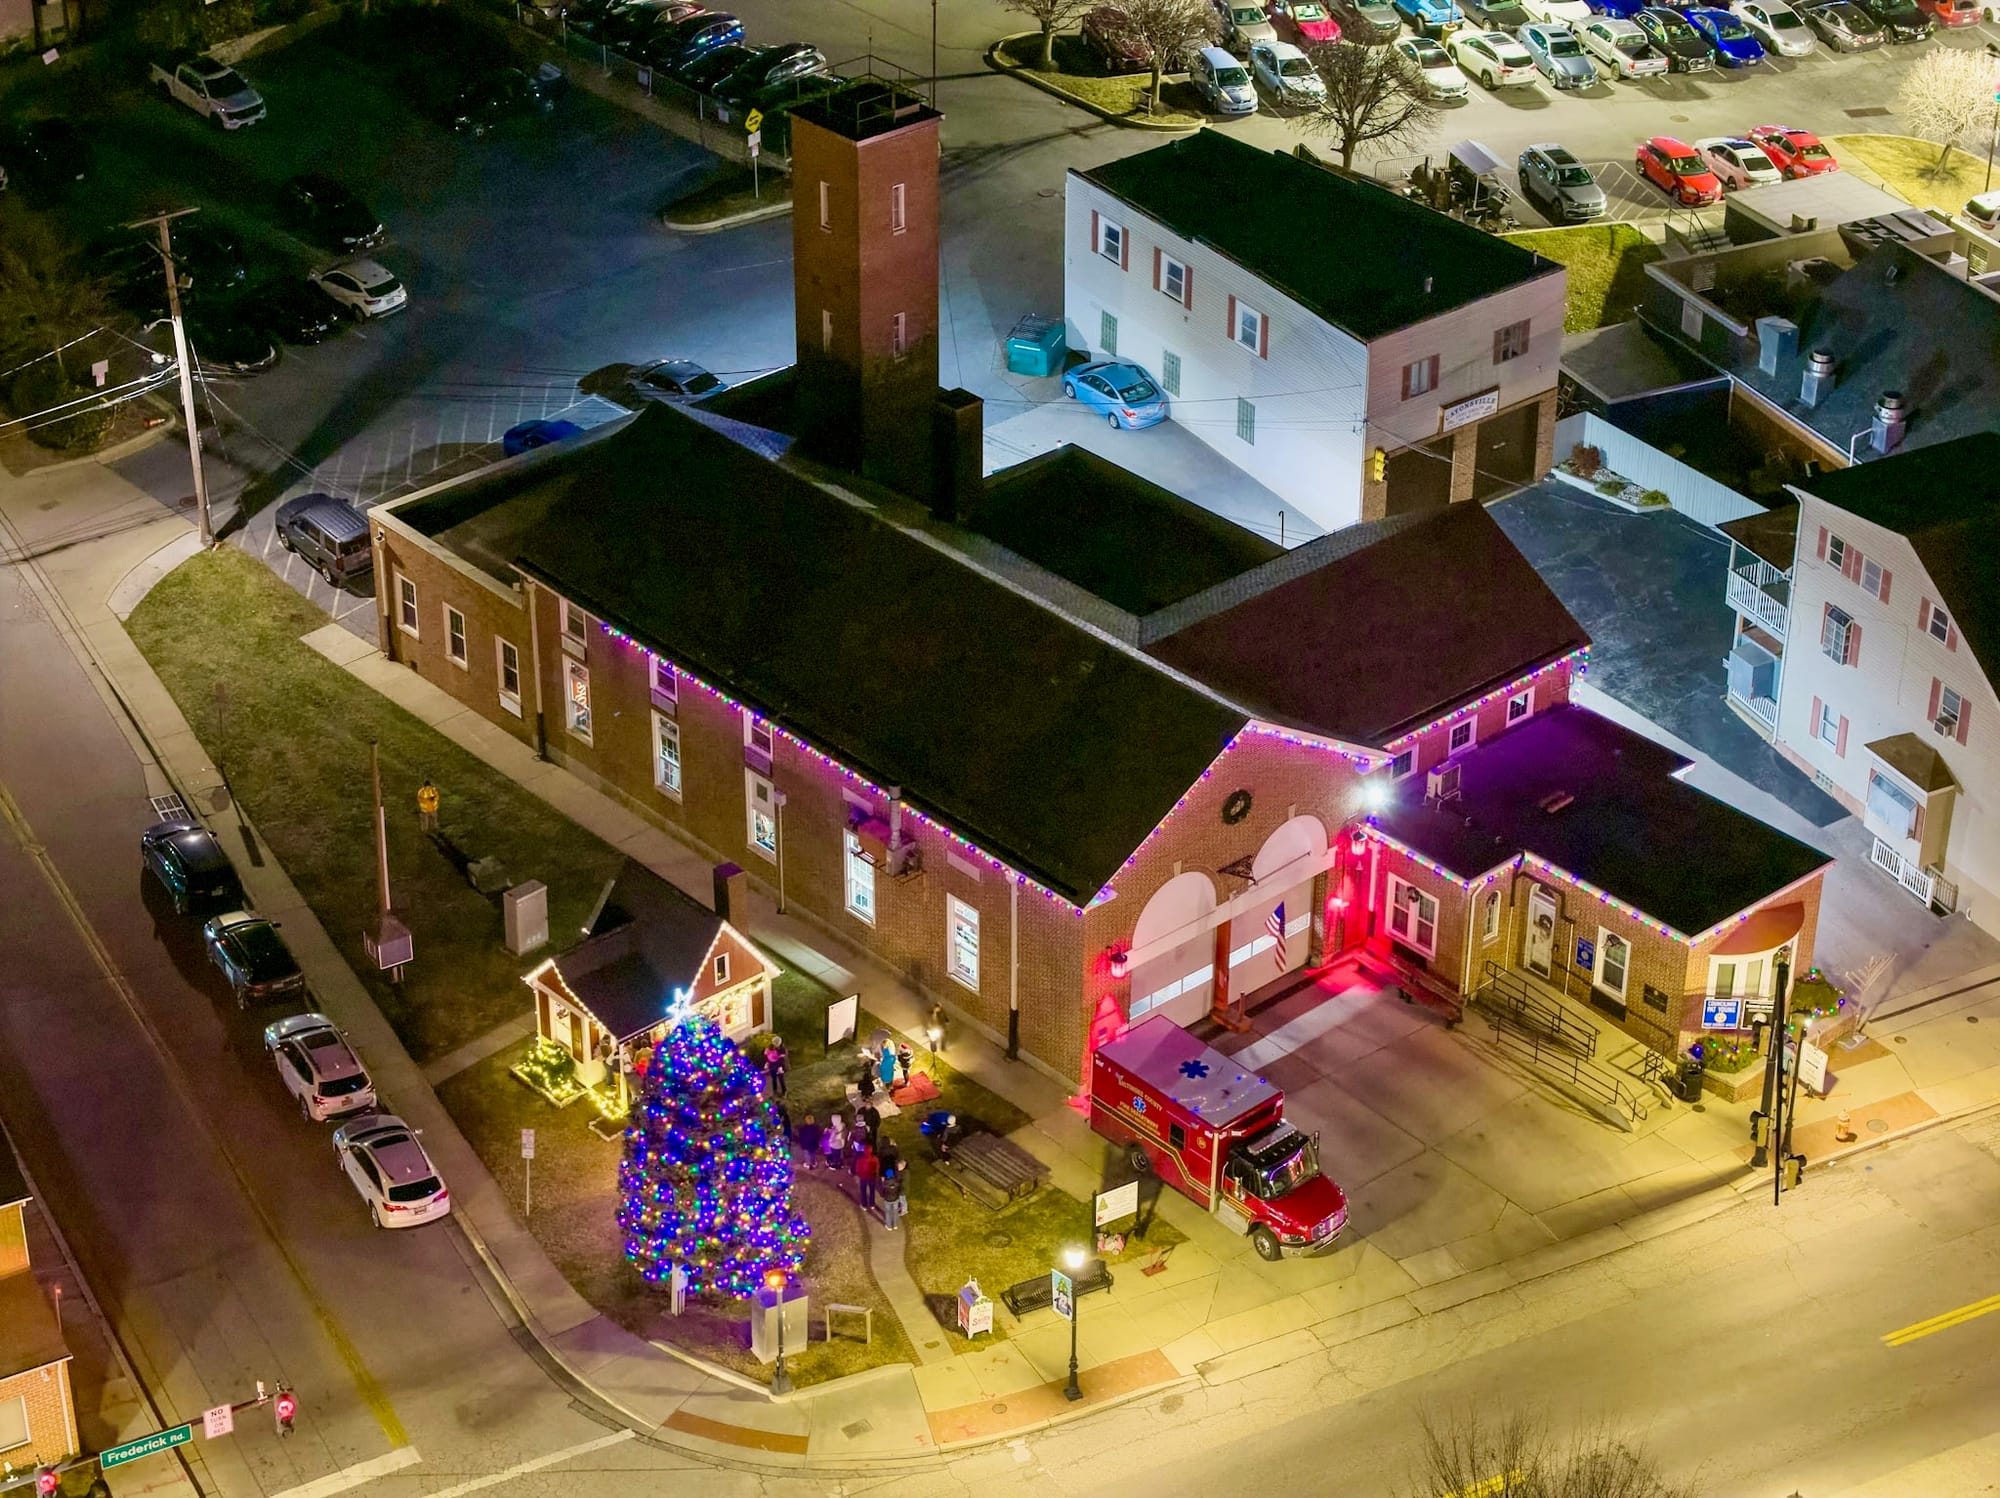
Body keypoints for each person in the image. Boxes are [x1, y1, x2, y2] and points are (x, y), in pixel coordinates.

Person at [855, 1144, 881, 1211]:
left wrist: (860, 1174)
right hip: (871, 1177)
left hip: (863, 1177)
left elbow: (857, 1169)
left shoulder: (860, 1159)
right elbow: (877, 1168)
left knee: (863, 1191)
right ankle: (872, 1204)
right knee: (872, 1191)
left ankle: (864, 1205)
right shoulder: (875, 1158)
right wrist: (875, 1174)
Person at [879, 1163, 905, 1229]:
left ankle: (889, 1226)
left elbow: (882, 1192)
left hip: (887, 1199)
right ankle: (895, 1225)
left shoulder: (885, 1183)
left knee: (888, 1212)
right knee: (895, 1211)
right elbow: (899, 1188)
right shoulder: (896, 1182)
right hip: (895, 1198)